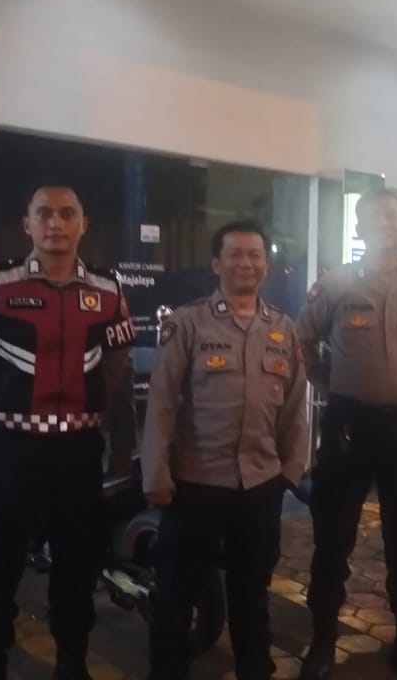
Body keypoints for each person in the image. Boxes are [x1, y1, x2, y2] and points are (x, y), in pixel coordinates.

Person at [0, 186, 136, 680]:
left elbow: (119, 372)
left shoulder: (109, 292)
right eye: (44, 213)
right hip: (11, 453)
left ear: (83, 225)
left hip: (79, 455)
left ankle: (72, 664)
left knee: (77, 568)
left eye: (67, 214)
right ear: (27, 224)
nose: (56, 223)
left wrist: (123, 446)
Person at [141, 220, 309, 680]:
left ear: (266, 265)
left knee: (252, 597)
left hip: (259, 486)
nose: (245, 263)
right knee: (176, 596)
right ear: (216, 263)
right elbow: (162, 403)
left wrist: (290, 472)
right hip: (195, 485)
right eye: (235, 254)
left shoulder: (283, 328)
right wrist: (156, 474)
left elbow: (295, 408)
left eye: (255, 255)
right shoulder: (187, 322)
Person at [296, 190, 397, 680]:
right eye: (374, 216)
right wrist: (330, 380)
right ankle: (322, 643)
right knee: (333, 536)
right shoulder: (335, 282)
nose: (385, 222)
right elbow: (302, 340)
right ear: (359, 228)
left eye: (393, 215)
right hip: (349, 425)